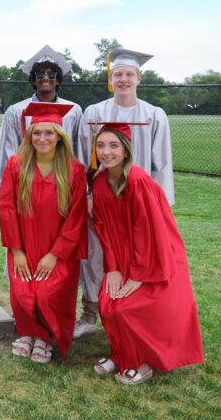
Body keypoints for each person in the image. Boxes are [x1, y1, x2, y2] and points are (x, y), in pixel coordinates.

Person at [89, 123, 202, 384]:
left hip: (154, 256)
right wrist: (113, 267)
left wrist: (138, 275)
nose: (106, 152)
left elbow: (149, 231)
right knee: (108, 303)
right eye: (101, 145)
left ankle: (141, 363)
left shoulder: (138, 181)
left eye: (113, 146)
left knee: (127, 308)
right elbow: (103, 228)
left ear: (126, 151)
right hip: (121, 256)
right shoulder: (99, 181)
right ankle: (120, 353)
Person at [73, 48, 175, 339]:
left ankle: (135, 314)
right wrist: (87, 197)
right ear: (111, 79)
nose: (123, 79)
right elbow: (82, 160)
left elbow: (162, 165)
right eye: (118, 74)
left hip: (139, 200)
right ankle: (90, 313)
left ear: (139, 78)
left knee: (136, 256)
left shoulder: (154, 115)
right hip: (102, 200)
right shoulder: (95, 113)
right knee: (94, 254)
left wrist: (160, 207)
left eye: (129, 74)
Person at [0, 102, 87, 363]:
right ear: (29, 136)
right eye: (37, 133)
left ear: (60, 136)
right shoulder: (17, 164)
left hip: (58, 247)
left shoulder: (74, 170)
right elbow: (6, 207)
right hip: (24, 242)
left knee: (49, 294)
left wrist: (56, 254)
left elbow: (76, 216)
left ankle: (45, 335)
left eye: (49, 133)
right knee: (23, 292)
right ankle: (28, 333)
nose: (42, 138)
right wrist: (17, 250)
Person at [0, 44, 82, 194]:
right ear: (33, 81)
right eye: (39, 75)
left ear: (58, 80)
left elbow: (78, 149)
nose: (45, 78)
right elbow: (9, 149)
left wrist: (79, 185)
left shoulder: (74, 111)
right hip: (28, 181)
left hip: (63, 180)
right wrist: (8, 187)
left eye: (52, 74)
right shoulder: (17, 111)